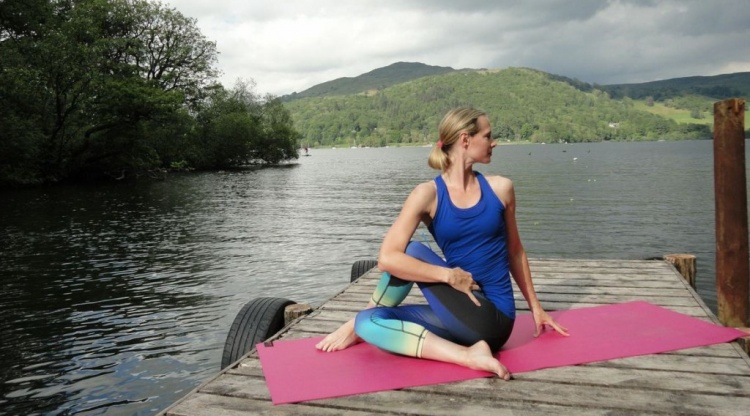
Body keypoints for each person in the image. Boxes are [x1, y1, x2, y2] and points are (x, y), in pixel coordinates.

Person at [315, 107, 569, 380]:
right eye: (488, 135)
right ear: (465, 140)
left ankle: (466, 355)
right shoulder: (427, 195)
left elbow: (515, 251)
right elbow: (386, 258)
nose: (494, 142)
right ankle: (462, 351)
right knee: (370, 321)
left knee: (412, 251)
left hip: (495, 319)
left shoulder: (501, 188)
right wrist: (448, 276)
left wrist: (536, 308)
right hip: (461, 315)